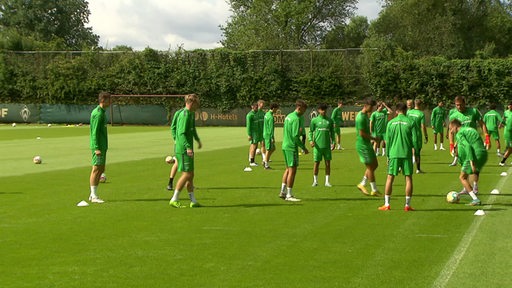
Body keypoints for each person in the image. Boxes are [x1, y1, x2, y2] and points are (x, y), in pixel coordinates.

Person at [379, 102, 417, 211]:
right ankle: (407, 205)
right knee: (408, 178)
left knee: (390, 177)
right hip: (406, 154)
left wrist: (388, 156)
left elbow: (388, 141)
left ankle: (387, 204)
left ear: (396, 111)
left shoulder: (390, 123)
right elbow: (414, 140)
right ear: (405, 111)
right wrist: (415, 154)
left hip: (394, 154)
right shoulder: (411, 122)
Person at [169, 94, 202, 208]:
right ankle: (174, 198)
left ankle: (193, 200)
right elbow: (181, 133)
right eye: (197, 103)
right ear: (192, 102)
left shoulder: (191, 114)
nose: (198, 105)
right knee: (187, 174)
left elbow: (192, 130)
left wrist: (197, 140)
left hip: (186, 147)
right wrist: (187, 146)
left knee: (190, 174)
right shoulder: (184, 115)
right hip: (184, 149)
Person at [449, 119, 487, 206]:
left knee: (462, 177)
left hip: (474, 154)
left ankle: (475, 199)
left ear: (455, 127)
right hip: (482, 153)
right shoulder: (469, 129)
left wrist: (471, 161)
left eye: (451, 129)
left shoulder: (459, 133)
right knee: (467, 174)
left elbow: (468, 146)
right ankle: (468, 189)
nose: (451, 131)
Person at [279, 99, 309, 202]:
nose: (304, 112)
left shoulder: (288, 116)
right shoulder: (296, 119)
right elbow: (296, 136)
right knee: (292, 171)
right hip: (291, 147)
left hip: (285, 145)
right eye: (304, 110)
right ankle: (289, 195)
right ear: (299, 108)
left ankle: (282, 191)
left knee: (287, 169)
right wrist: (303, 147)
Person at [448, 96, 489, 168]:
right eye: (457, 105)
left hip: (473, 140)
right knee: (465, 164)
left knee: (474, 162)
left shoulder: (473, 111)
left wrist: (487, 136)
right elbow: (451, 131)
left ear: (464, 103)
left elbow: (482, 124)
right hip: (461, 141)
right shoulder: (453, 115)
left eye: (460, 104)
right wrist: (451, 144)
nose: (459, 107)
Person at [89, 92, 111, 204]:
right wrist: (96, 148)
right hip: (98, 147)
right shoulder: (98, 114)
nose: (110, 102)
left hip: (102, 146)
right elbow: (94, 132)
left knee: (101, 169)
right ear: (103, 100)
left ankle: (93, 194)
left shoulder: (102, 112)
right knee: (96, 169)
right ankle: (93, 195)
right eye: (108, 100)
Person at [355, 98, 380, 196]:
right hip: (363, 145)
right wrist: (373, 138)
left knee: (375, 165)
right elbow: (361, 134)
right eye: (371, 107)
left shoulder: (365, 116)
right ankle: (374, 189)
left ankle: (362, 183)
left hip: (367, 144)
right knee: (370, 167)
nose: (372, 109)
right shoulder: (360, 117)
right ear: (366, 105)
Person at [309, 103, 335, 187]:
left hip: (327, 146)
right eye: (321, 110)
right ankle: (315, 181)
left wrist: (334, 142)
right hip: (317, 147)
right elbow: (311, 131)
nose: (323, 111)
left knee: (328, 164)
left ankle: (327, 181)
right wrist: (310, 140)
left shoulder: (330, 120)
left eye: (325, 110)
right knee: (316, 164)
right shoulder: (314, 120)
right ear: (318, 110)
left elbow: (332, 133)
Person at [406, 99, 428, 173]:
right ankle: (418, 169)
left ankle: (403, 167)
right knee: (417, 153)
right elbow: (423, 126)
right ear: (421, 105)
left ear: (414, 104)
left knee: (407, 151)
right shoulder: (421, 114)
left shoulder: (409, 112)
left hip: (408, 134)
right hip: (416, 135)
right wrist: (426, 136)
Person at [167, 107, 184, 190]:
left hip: (187, 143)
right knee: (177, 163)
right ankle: (170, 183)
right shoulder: (179, 113)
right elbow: (173, 127)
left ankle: (189, 183)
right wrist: (175, 139)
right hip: (179, 142)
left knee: (188, 164)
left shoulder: (191, 114)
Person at [263, 102, 279, 169]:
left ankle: (265, 160)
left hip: (265, 134)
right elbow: (271, 128)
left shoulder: (267, 114)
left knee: (273, 148)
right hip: (268, 135)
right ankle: (266, 164)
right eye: (276, 109)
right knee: (268, 149)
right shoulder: (270, 117)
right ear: (273, 108)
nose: (277, 111)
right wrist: (272, 137)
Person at [246, 102, 260, 166]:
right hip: (253, 133)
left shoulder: (256, 114)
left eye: (257, 106)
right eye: (256, 107)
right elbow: (248, 126)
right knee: (254, 146)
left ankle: (251, 159)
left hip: (257, 132)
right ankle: (252, 161)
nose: (257, 108)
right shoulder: (250, 115)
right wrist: (249, 134)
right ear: (252, 107)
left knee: (255, 146)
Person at [499, 101, 512, 166]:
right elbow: (503, 118)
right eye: (509, 105)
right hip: (508, 132)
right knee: (510, 148)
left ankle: (502, 161)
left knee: (510, 148)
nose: (509, 106)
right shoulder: (506, 112)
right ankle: (502, 161)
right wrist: (500, 124)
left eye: (511, 105)